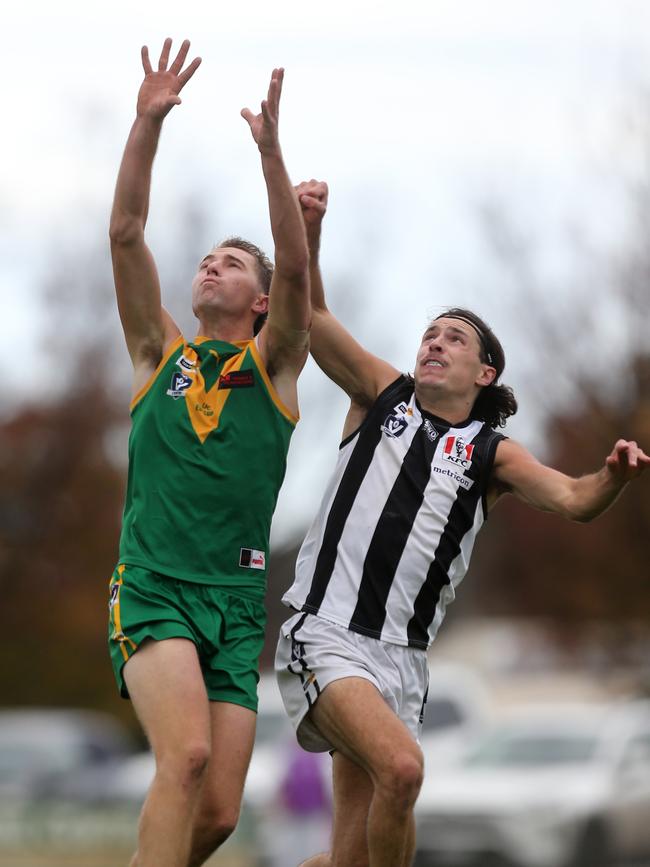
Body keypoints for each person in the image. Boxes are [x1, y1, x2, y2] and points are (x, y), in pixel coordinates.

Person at [274, 179, 650, 867]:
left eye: (454, 338)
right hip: (326, 635)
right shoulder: (380, 394)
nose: (434, 344)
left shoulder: (490, 453)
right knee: (405, 768)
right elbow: (311, 313)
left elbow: (572, 497)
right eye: (429, 335)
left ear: (485, 371)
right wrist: (310, 231)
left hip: (402, 663)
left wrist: (613, 478)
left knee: (348, 858)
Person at [107, 38, 309, 867]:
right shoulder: (159, 352)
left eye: (229, 262)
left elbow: (296, 265)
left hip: (235, 602)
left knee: (219, 814)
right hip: (154, 584)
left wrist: (270, 155)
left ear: (258, 301)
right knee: (183, 758)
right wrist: (146, 122)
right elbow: (125, 232)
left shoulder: (275, 367)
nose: (208, 265)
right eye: (205, 259)